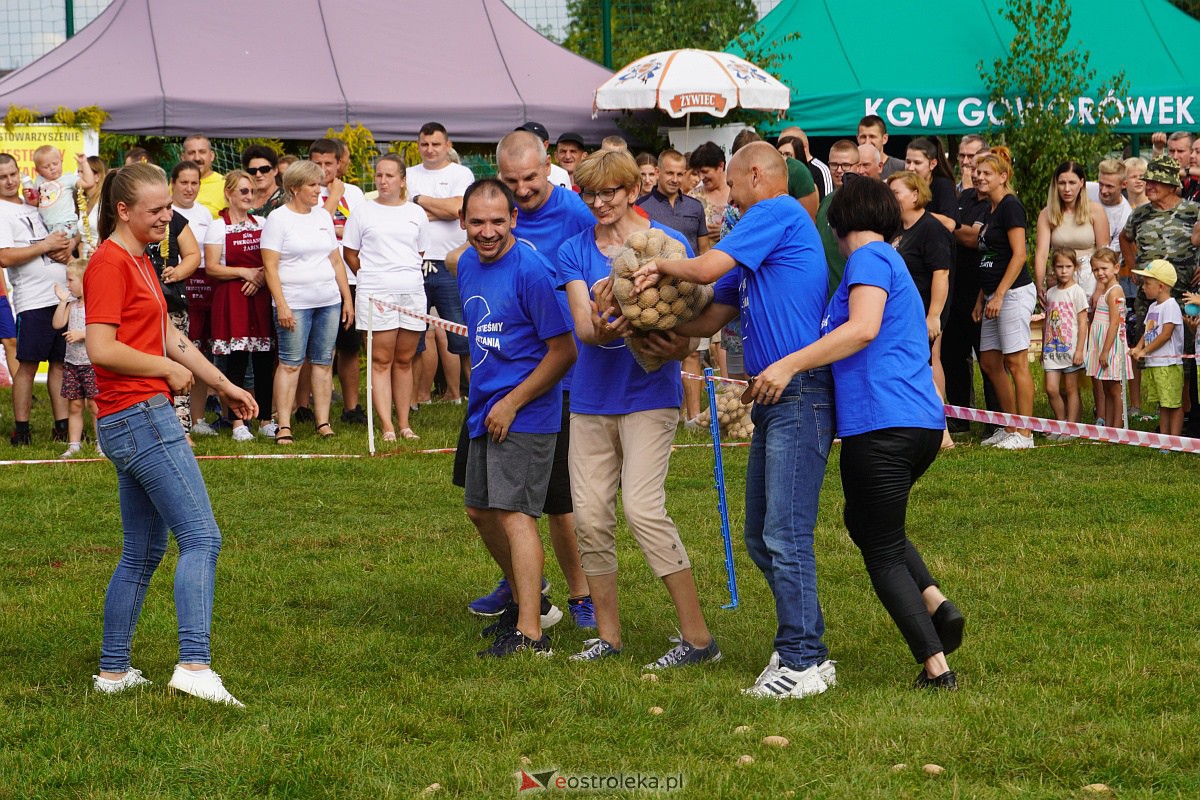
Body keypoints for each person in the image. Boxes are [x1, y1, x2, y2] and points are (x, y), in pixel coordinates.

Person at [629, 142, 834, 696]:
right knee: (761, 537)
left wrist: (660, 264)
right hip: (773, 397)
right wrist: (662, 328)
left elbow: (702, 267)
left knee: (784, 535)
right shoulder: (755, 239)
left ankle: (801, 661)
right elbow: (713, 311)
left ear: (758, 175)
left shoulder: (777, 212)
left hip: (801, 391)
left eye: (730, 185)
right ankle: (811, 650)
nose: (720, 198)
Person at [755, 173, 961, 690]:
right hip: (915, 423)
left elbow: (863, 328)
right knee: (865, 522)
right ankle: (935, 602)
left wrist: (787, 366)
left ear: (838, 220)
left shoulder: (867, 259)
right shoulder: (890, 261)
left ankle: (937, 666)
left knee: (881, 550)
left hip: (882, 423)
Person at [86, 162, 255, 706]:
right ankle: (194, 664)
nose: (168, 216)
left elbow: (164, 333)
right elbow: (101, 348)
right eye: (157, 209)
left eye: (168, 208)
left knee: (142, 549)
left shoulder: (140, 258)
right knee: (202, 537)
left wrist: (222, 383)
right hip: (139, 416)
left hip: (132, 418)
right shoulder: (109, 264)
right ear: (123, 211)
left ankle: (113, 672)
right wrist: (163, 371)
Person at [557, 149, 719, 670]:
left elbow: (692, 311)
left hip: (649, 394)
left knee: (643, 510)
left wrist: (673, 341)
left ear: (631, 191)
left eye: (610, 192)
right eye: (591, 194)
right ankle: (609, 636)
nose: (600, 202)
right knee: (590, 518)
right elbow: (584, 328)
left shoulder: (662, 244)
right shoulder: (573, 249)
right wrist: (607, 324)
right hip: (589, 399)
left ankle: (698, 640)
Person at [464, 130, 597, 627]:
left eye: (530, 180)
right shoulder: (479, 253)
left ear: (549, 170)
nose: (521, 189)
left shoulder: (575, 216)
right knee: (487, 506)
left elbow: (603, 258)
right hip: (494, 384)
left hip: (552, 382)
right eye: (511, 180)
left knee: (554, 503)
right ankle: (525, 585)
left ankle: (578, 598)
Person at [457, 178, 576, 658]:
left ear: (514, 220)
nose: (487, 232)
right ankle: (531, 599)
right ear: (463, 222)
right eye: (477, 222)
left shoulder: (531, 270)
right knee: (480, 511)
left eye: (497, 221)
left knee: (514, 514)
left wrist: (513, 402)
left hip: (526, 412)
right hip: (484, 408)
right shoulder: (466, 263)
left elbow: (564, 351)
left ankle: (531, 634)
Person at [261, 160, 354, 444]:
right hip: (295, 302)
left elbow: (335, 259)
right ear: (294, 188)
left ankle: (323, 422)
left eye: (319, 184)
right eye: (312, 185)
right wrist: (282, 304)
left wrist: (346, 298)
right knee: (290, 364)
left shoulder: (322, 217)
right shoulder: (278, 219)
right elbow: (270, 266)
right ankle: (284, 425)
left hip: (328, 300)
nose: (319, 189)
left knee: (324, 363)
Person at [342, 154, 429, 441]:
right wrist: (372, 277)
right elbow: (350, 253)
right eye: (379, 175)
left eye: (390, 175)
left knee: (404, 359)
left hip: (412, 291)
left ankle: (404, 424)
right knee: (380, 360)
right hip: (376, 293)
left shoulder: (416, 213)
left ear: (403, 180)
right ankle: (387, 426)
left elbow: (419, 252)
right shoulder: (363, 211)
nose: (383, 181)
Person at [1120, 156, 1200, 432]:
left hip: (1185, 297)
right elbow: (1124, 238)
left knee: (1185, 356)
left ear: (1171, 185)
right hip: (1149, 300)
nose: (1148, 185)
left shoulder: (1193, 211)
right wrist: (1132, 267)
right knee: (1154, 353)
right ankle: (1162, 412)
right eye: (1148, 180)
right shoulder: (1140, 214)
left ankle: (1186, 415)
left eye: (1155, 181)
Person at [0, 152, 73, 445]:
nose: (9, 181)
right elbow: (4, 256)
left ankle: (63, 427)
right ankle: (22, 430)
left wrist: (68, 249)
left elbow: (64, 233)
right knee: (28, 366)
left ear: (21, 173)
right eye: (2, 177)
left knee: (59, 364)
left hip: (63, 296)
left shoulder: (36, 202)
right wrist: (45, 245)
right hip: (33, 300)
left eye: (12, 174)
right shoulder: (1, 211)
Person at [969, 147, 1037, 449]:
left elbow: (1019, 255)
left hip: (1013, 293)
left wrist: (999, 294)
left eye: (985, 173)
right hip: (993, 295)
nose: (978, 176)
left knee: (1016, 361)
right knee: (989, 361)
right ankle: (1009, 426)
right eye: (976, 171)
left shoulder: (1011, 206)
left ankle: (1025, 433)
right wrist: (982, 297)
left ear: (1003, 177)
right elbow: (991, 256)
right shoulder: (989, 209)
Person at [204, 170, 277, 441]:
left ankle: (266, 419)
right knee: (235, 361)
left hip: (259, 296)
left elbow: (272, 260)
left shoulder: (262, 222)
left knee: (263, 360)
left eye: (252, 191)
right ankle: (237, 423)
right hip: (233, 297)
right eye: (243, 191)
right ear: (229, 193)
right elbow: (212, 268)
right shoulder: (218, 226)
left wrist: (258, 277)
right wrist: (244, 273)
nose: (249, 196)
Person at [886, 170, 954, 448]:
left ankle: (943, 433)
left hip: (926, 309)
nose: (892, 198)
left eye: (896, 193)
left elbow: (941, 274)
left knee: (924, 366)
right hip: (904, 312)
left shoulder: (930, 228)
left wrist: (934, 315)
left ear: (915, 195)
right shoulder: (897, 228)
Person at [408, 122, 474, 405]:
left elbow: (460, 209)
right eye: (425, 144)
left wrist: (418, 201)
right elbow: (404, 212)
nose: (430, 150)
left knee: (464, 337)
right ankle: (412, 401)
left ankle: (479, 397)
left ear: (448, 145)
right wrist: (442, 209)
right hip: (414, 264)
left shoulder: (461, 173)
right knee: (412, 338)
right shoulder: (408, 174)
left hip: (453, 263)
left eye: (436, 144)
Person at [310, 137, 368, 425]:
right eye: (317, 164)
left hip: (351, 277)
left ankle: (351, 407)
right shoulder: (304, 191)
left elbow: (359, 231)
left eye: (328, 163)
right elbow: (317, 227)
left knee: (349, 346)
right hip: (317, 278)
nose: (323, 170)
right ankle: (305, 406)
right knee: (315, 348)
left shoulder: (355, 193)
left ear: (339, 164)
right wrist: (332, 203)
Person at [170, 161, 217, 435]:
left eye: (194, 183)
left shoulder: (206, 215)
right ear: (173, 183)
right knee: (182, 352)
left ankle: (197, 419)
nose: (189, 188)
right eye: (184, 182)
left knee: (201, 353)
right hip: (177, 288)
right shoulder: (165, 214)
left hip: (205, 288)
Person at [1033, 161, 1109, 302]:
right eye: (1062, 183)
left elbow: (1104, 252)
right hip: (1059, 277)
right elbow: (1041, 254)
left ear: (1081, 183)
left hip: (1090, 278)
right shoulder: (1047, 214)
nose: (1067, 189)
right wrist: (1039, 284)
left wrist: (1100, 287)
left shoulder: (1096, 211)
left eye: (1072, 183)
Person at [51, 259, 101, 458]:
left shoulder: (96, 305)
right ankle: (74, 444)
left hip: (90, 364)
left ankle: (101, 443)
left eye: (71, 280)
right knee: (75, 405)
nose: (67, 284)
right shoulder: (72, 306)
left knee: (95, 406)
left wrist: (82, 334)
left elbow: (100, 331)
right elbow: (57, 324)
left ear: (85, 281)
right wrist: (62, 301)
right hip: (72, 364)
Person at [1129, 260, 1184, 438]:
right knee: (1162, 403)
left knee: (1172, 403)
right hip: (1156, 364)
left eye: (1147, 283)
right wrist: (1138, 347)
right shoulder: (1153, 307)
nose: (1143, 287)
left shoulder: (1171, 306)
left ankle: (1173, 439)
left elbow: (1165, 334)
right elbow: (1148, 331)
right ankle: (1164, 437)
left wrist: (1144, 351)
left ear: (1160, 286)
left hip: (1169, 364)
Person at [1041, 248, 1091, 429]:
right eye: (1060, 266)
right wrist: (1042, 349)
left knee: (1071, 389)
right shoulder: (1051, 292)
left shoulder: (1077, 292)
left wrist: (1080, 350)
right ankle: (1061, 423)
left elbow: (1083, 323)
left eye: (1068, 266)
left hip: (1071, 350)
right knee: (1051, 389)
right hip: (1051, 350)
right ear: (1053, 268)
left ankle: (1071, 426)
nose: (1064, 271)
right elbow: (1047, 321)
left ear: (1075, 267)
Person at [1084, 248, 1131, 427]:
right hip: (1102, 344)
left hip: (1111, 347)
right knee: (1106, 387)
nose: (1100, 273)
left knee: (1114, 389)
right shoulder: (1106, 290)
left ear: (1116, 268)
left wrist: (1104, 351)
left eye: (1104, 268)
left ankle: (1117, 427)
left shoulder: (1115, 291)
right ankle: (1110, 426)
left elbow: (1114, 323)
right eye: (1096, 269)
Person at [816, 139, 860, 294]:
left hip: (850, 291)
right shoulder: (826, 201)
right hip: (825, 294)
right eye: (834, 164)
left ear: (858, 167)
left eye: (846, 165)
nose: (839, 170)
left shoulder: (862, 202)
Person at [29, 145, 96, 236]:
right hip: (45, 225)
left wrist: (84, 163)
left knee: (60, 248)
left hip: (66, 223)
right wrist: (28, 196)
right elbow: (36, 203)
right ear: (37, 170)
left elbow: (89, 183)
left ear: (61, 162)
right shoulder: (38, 181)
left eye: (55, 164)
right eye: (46, 167)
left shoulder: (67, 178)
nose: (52, 168)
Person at [903, 138, 958, 231]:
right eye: (908, 162)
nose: (911, 168)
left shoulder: (943, 185)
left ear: (932, 164)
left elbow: (950, 224)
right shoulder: (902, 184)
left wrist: (915, 213)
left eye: (917, 163)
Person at [515, 122, 571, 189]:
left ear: (545, 145)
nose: (524, 145)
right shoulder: (511, 172)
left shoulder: (561, 174)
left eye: (530, 142)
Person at [183, 134, 225, 218]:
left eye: (202, 152)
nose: (197, 158)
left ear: (212, 156)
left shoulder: (225, 185)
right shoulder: (175, 185)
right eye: (191, 153)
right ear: (183, 158)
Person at [242, 144, 285, 217]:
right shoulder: (243, 198)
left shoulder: (286, 199)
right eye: (252, 171)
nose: (258, 174)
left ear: (275, 170)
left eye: (264, 169)